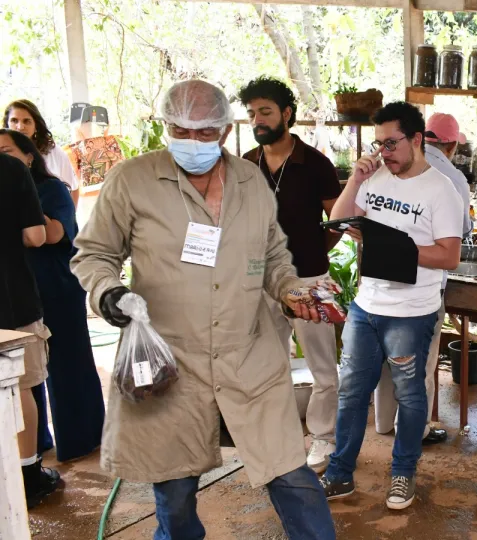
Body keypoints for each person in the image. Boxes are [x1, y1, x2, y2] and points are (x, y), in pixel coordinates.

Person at [71, 80, 336, 540]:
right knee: (174, 496)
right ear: (167, 126)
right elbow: (93, 254)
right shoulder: (133, 179)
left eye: (204, 132)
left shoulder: (251, 181)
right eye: (181, 130)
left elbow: (273, 258)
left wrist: (289, 289)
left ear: (225, 129)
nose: (192, 142)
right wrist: (108, 293)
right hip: (171, 363)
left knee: (291, 475)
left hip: (249, 357)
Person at [321, 102, 463, 510]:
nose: (385, 151)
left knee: (410, 395)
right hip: (367, 306)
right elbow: (338, 221)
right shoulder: (375, 178)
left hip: (413, 310)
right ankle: (339, 473)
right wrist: (354, 180)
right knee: (351, 392)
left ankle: (403, 474)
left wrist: (393, 248)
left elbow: (449, 256)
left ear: (417, 140)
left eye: (392, 143)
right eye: (380, 143)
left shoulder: (441, 190)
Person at [239, 76, 343, 473]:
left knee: (322, 367)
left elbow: (338, 220)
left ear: (286, 114)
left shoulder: (315, 164)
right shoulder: (245, 164)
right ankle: (279, 440)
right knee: (267, 364)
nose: (257, 120)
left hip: (310, 280)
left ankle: (323, 439)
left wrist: (316, 255)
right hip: (261, 284)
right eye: (251, 114)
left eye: (265, 112)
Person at [0, 129, 105, 464]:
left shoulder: (51, 189)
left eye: (7, 152)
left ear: (30, 156)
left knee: (66, 364)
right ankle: (36, 445)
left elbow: (50, 234)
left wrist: (22, 198)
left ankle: (81, 438)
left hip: (56, 287)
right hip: (17, 294)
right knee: (28, 376)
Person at [373, 112, 473, 446]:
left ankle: (383, 422)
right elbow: (459, 234)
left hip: (380, 279)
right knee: (418, 365)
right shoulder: (452, 179)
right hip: (423, 286)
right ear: (454, 144)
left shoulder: (386, 164)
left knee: (385, 361)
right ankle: (414, 430)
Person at [2, 149, 61, 510]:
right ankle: (28, 476)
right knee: (20, 386)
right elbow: (36, 236)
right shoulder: (10, 169)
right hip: (10, 298)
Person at [5, 100, 81, 207]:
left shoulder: (54, 152)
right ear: (7, 124)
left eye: (27, 121)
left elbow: (73, 188)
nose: (20, 127)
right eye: (14, 120)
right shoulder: (3, 154)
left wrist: (68, 219)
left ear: (36, 125)